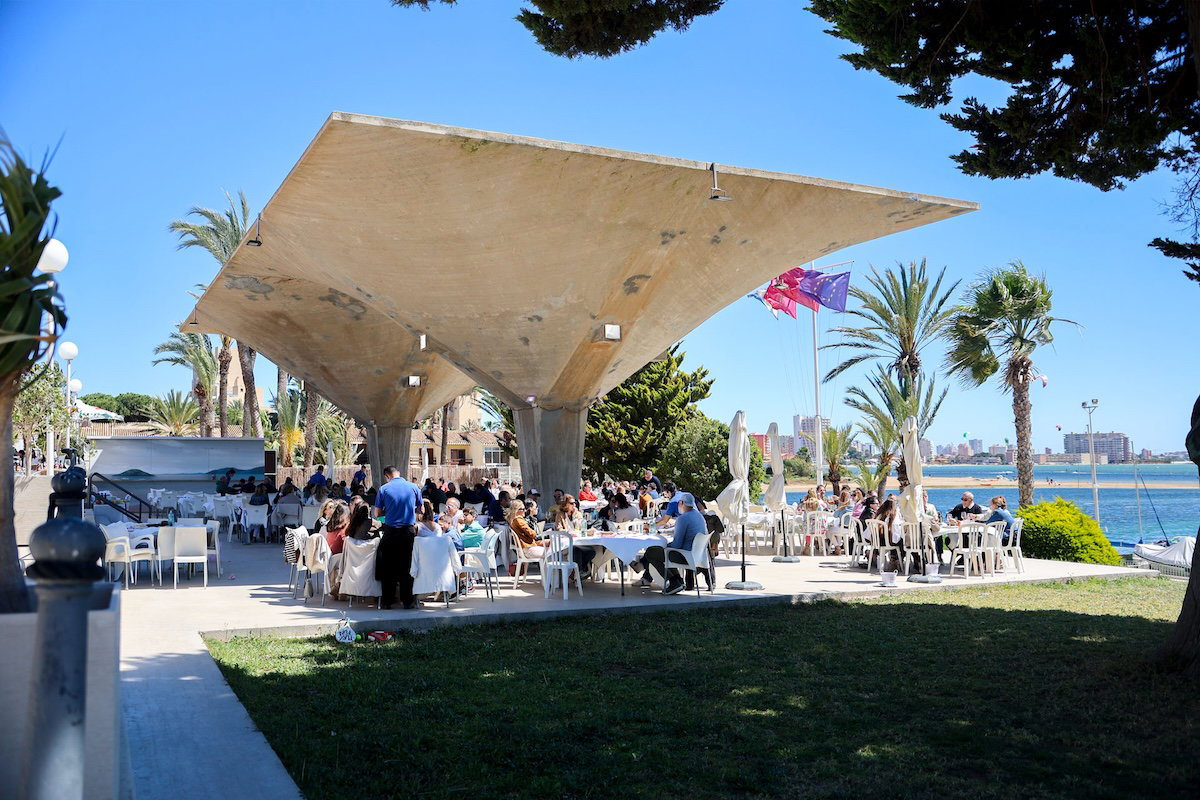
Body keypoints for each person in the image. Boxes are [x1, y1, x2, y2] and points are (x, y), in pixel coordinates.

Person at [373, 465, 423, 610]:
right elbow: (421, 509)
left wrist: (389, 511)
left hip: (391, 531)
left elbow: (377, 513)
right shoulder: (414, 487)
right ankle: (407, 601)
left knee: (388, 566)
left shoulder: (384, 489)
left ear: (387, 476)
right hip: (408, 531)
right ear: (399, 473)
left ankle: (387, 601)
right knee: (407, 565)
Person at [638, 493, 707, 594]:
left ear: (681, 503)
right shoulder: (699, 516)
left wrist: (665, 546)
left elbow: (676, 545)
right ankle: (678, 581)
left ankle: (673, 582)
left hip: (686, 556)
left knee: (651, 552)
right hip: (697, 555)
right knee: (666, 552)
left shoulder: (683, 518)